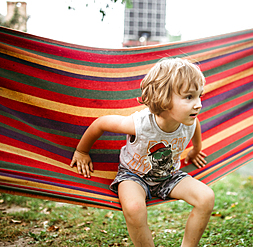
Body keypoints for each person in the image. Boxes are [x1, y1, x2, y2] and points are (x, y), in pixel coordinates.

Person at [69, 58, 215, 247]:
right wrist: (82, 151)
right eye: (189, 97)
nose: (198, 104)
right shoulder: (140, 124)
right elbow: (101, 123)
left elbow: (195, 127)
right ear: (164, 98)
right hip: (133, 176)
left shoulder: (190, 120)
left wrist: (196, 150)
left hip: (169, 176)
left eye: (199, 96)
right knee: (134, 208)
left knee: (206, 197)